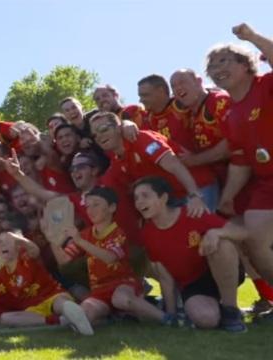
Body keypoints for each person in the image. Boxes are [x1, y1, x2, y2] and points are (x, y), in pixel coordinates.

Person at [133, 176, 247, 332]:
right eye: (136, 198)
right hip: (193, 285)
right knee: (206, 320)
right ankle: (213, 309)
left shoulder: (192, 213)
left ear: (164, 198)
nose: (139, 202)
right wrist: (171, 314)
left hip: (218, 268)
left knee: (223, 244)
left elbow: (241, 232)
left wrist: (216, 232)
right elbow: (164, 276)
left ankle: (231, 311)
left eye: (145, 196)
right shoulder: (147, 234)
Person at [207, 23, 273, 284]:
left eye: (224, 61)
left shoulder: (266, 85)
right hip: (267, 183)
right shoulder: (228, 114)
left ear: (246, 65)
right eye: (212, 66)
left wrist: (253, 37)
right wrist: (227, 197)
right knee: (255, 241)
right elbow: (241, 161)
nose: (217, 69)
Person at [47, 186, 166, 326]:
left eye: (96, 205)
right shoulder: (85, 234)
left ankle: (166, 318)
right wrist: (52, 240)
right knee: (86, 313)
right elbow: (64, 260)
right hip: (98, 290)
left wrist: (80, 241)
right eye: (88, 206)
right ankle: (113, 317)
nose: (90, 210)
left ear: (111, 207)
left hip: (123, 283)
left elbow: (110, 257)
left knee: (121, 299)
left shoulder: (118, 232)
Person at [0, 231, 94, 335]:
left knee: (61, 304)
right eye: (0, 243)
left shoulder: (26, 257)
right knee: (5, 319)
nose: (3, 245)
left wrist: (18, 238)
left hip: (51, 296)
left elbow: (34, 249)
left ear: (18, 246)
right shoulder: (2, 273)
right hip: (31, 309)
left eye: (8, 242)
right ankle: (61, 321)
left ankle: (73, 313)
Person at [90, 111, 215, 214]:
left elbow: (175, 165)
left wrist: (194, 195)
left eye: (103, 129)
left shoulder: (141, 139)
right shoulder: (117, 161)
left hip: (198, 187)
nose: (99, 136)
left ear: (118, 128)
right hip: (171, 200)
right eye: (94, 134)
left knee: (205, 234)